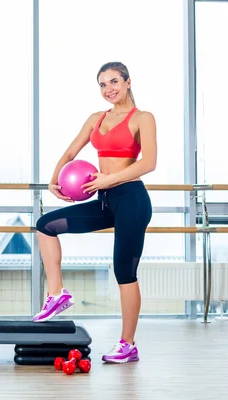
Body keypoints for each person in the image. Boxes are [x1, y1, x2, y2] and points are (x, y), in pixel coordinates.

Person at [32, 61, 157, 364]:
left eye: (114, 82)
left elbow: (148, 163)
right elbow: (71, 152)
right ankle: (58, 294)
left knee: (124, 271)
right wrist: (54, 177)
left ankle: (128, 344)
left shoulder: (142, 118)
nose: (108, 89)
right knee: (46, 225)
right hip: (105, 199)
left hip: (132, 199)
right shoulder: (96, 118)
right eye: (102, 84)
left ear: (128, 82)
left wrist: (108, 180)